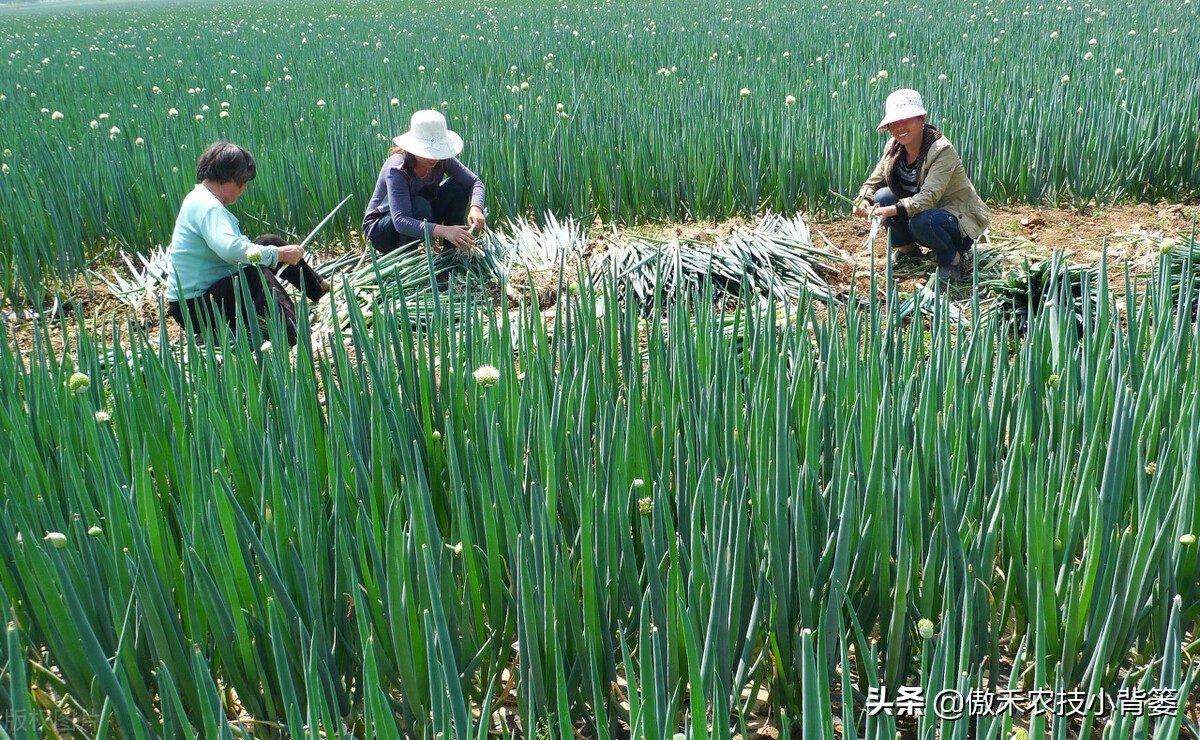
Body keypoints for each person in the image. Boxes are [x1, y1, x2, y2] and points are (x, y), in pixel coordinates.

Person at [164, 141, 329, 347]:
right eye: (245, 182)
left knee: (269, 242)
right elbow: (231, 250)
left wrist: (273, 250)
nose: (245, 189)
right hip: (196, 309)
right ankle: (294, 333)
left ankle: (319, 290)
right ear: (233, 178)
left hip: (200, 300)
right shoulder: (207, 207)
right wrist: (276, 255)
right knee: (254, 275)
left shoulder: (200, 199)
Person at [854, 89, 990, 281]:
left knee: (922, 220)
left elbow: (929, 197)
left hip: (954, 222)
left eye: (906, 119)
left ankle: (952, 259)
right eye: (894, 122)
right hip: (920, 214)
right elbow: (874, 181)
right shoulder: (894, 148)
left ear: (921, 118)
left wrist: (892, 210)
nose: (899, 127)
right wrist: (864, 198)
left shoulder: (942, 151)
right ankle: (909, 252)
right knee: (882, 197)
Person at [362, 109, 486, 255]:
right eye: (427, 152)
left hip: (420, 217)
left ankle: (452, 252)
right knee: (419, 205)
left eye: (438, 152)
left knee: (457, 187)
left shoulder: (442, 159)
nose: (433, 157)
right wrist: (444, 231)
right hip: (383, 230)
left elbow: (474, 182)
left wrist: (476, 208)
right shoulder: (397, 168)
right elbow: (401, 221)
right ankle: (407, 258)